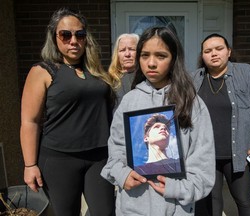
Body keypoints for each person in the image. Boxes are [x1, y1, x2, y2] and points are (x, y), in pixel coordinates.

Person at [101, 26, 215, 216]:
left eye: (161, 56)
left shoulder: (191, 102)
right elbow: (116, 147)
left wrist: (178, 189)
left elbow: (203, 162)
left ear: (173, 60)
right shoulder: (129, 101)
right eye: (145, 55)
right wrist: (122, 174)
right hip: (132, 207)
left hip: (176, 208)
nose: (151, 63)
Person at [20, 8, 116, 216]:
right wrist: (30, 165)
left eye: (80, 35)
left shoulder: (96, 72)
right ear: (54, 37)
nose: (74, 41)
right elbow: (30, 121)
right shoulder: (43, 71)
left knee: (105, 212)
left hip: (99, 157)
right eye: (66, 34)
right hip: (59, 159)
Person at [192, 33, 250, 216]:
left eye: (219, 49)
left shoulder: (246, 73)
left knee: (244, 200)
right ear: (202, 56)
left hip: (239, 152)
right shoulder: (194, 79)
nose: (214, 54)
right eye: (208, 51)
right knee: (211, 201)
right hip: (205, 154)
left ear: (228, 52)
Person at [108, 33, 139, 106]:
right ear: (117, 54)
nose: (127, 54)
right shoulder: (109, 80)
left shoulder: (146, 78)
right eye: (122, 50)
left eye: (132, 49)